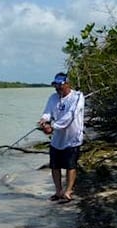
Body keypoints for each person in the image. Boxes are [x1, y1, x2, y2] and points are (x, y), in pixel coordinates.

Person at [38, 72, 85, 203]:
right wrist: (44, 121)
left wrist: (53, 127)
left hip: (72, 138)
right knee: (55, 166)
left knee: (70, 166)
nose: (57, 88)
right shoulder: (53, 98)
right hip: (57, 139)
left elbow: (70, 116)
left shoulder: (77, 97)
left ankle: (68, 191)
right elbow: (47, 113)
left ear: (68, 84)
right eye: (56, 86)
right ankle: (58, 191)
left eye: (60, 85)